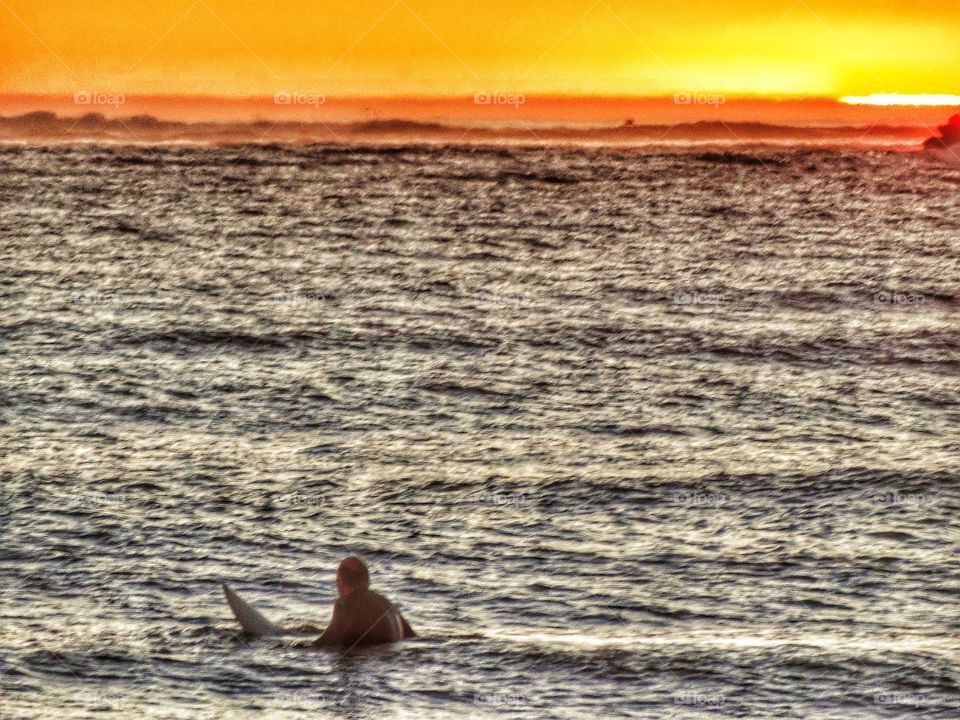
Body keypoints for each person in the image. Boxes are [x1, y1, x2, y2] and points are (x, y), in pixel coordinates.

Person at [311, 555, 416, 649]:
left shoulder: (346, 603)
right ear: (366, 579)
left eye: (337, 579)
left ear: (341, 581)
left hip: (361, 657)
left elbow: (328, 639)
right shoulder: (388, 605)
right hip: (384, 662)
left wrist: (302, 648)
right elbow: (413, 639)